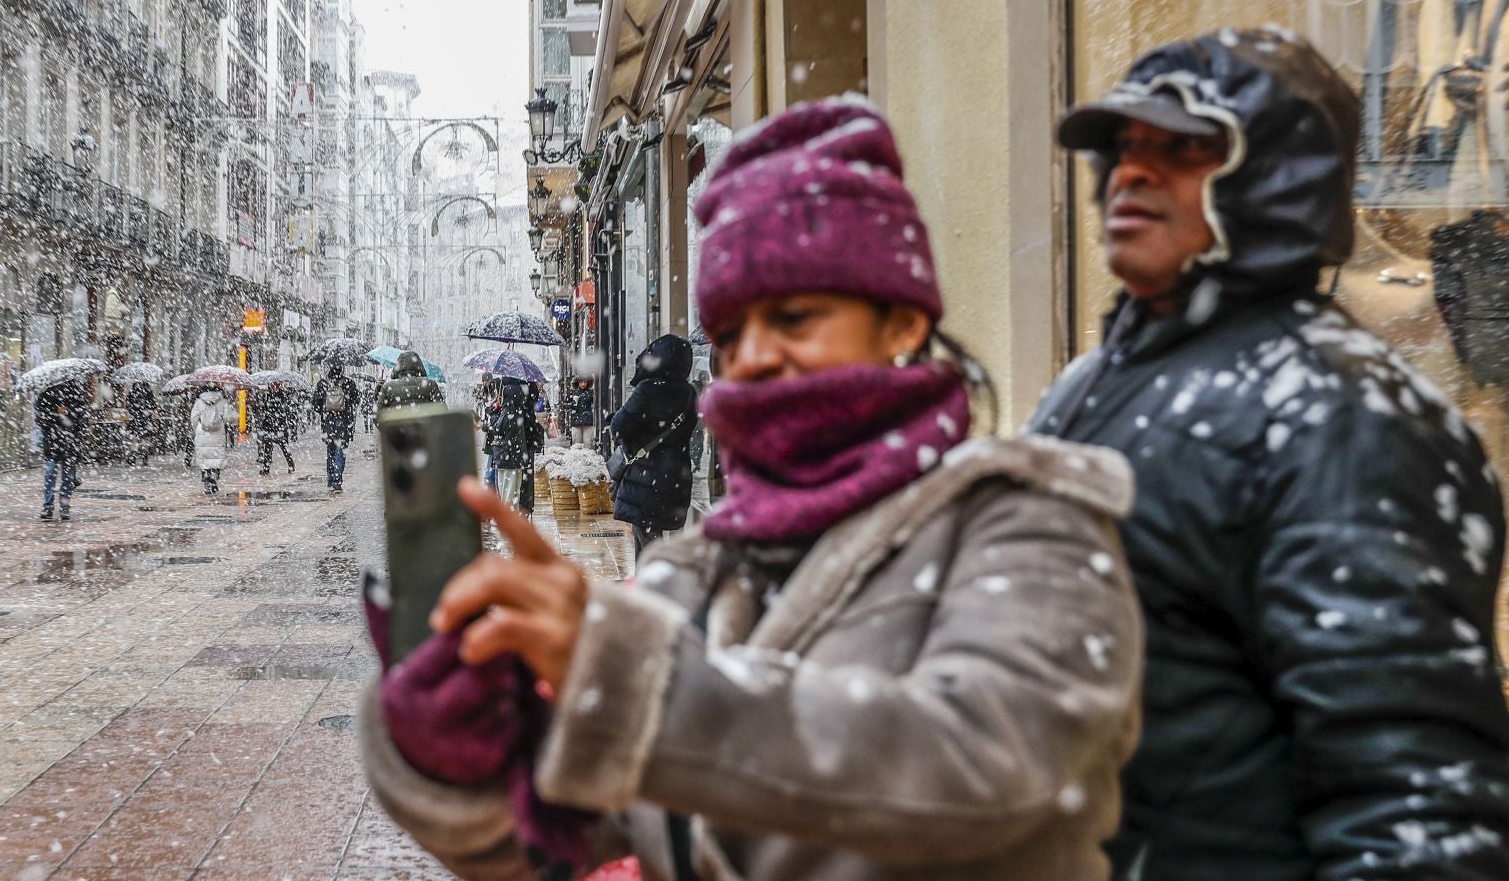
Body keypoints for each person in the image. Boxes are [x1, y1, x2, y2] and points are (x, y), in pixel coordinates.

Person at [358, 95, 1143, 881]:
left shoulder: (1031, 525)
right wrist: (457, 750)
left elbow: (988, 768)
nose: (756, 356)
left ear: (904, 323)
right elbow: (549, 845)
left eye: (795, 316)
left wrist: (631, 684)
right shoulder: (696, 573)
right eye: (731, 335)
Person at [1033, 29, 1509, 879]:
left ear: (1277, 179)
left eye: (1184, 149)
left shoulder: (1345, 417)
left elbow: (1412, 798)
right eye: (1124, 146)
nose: (1131, 173)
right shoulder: (1089, 383)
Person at [609, 334, 698, 556]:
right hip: (676, 476)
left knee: (649, 546)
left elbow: (619, 426)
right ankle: (647, 585)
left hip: (645, 478)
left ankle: (652, 588)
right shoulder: (689, 393)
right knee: (654, 544)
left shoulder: (647, 389)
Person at [484, 375, 546, 512]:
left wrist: (494, 414)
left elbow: (498, 427)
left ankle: (509, 515)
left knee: (507, 487)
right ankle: (520, 510)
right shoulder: (519, 406)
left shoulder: (510, 410)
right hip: (519, 450)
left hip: (508, 454)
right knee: (515, 486)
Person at [34, 381, 88, 522]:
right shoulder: (47, 394)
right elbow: (40, 418)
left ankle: (64, 506)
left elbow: (83, 419)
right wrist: (57, 415)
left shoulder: (77, 393)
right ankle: (48, 506)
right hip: (52, 443)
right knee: (50, 474)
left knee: (68, 478)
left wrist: (69, 414)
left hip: (70, 443)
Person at [311, 364, 361, 493]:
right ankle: (337, 479)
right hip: (344, 423)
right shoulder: (349, 383)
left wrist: (326, 408)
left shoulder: (323, 383)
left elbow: (316, 405)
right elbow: (356, 401)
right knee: (341, 451)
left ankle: (331, 478)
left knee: (331, 451)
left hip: (328, 423)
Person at [189, 387, 233, 495]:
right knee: (216, 456)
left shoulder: (199, 402)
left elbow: (193, 418)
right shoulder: (223, 401)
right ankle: (214, 475)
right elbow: (228, 418)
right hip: (218, 433)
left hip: (202, 433)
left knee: (204, 457)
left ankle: (206, 476)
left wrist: (197, 429)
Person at [376, 350, 444, 419]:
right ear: (419, 365)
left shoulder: (387, 388)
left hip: (397, 428)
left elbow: (378, 416)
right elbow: (442, 412)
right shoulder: (430, 385)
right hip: (425, 428)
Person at [253, 383, 296, 477]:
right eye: (270, 385)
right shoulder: (267, 396)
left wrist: (274, 413)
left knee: (284, 447)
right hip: (269, 426)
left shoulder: (282, 395)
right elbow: (265, 410)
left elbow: (284, 411)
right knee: (268, 448)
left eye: (273, 385)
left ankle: (291, 465)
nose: (271, 387)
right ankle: (266, 468)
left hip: (280, 427)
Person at [564, 376, 597, 448]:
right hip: (576, 421)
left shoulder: (591, 392)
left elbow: (596, 404)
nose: (583, 384)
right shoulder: (572, 392)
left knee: (588, 444)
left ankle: (588, 458)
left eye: (585, 382)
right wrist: (571, 404)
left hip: (588, 421)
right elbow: (564, 405)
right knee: (576, 444)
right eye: (581, 382)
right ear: (577, 382)